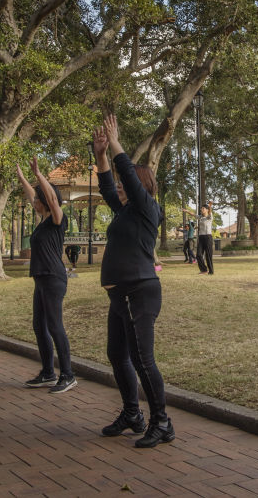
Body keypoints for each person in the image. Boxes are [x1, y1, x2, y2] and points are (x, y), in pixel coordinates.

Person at [93, 114, 174, 448]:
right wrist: (100, 156)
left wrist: (114, 143)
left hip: (139, 291)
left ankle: (162, 422)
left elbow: (124, 172)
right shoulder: (126, 211)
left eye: (130, 184)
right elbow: (109, 185)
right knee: (117, 354)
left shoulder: (147, 209)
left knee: (143, 359)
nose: (123, 187)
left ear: (142, 186)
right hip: (120, 295)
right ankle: (132, 414)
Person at [17, 158, 76, 394]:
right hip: (41, 278)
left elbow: (50, 198)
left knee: (54, 326)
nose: (35, 202)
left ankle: (68, 375)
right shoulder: (43, 222)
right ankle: (48, 373)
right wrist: (23, 178)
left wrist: (39, 174)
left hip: (53, 277)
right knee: (39, 326)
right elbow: (35, 195)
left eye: (38, 200)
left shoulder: (57, 219)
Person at [196, 202, 214, 275]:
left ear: (207, 210)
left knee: (208, 255)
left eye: (203, 208)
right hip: (201, 237)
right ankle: (203, 270)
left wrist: (210, 206)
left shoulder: (209, 217)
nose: (201, 209)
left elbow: (210, 212)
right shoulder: (200, 217)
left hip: (208, 237)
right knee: (198, 254)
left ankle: (211, 271)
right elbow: (194, 215)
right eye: (201, 208)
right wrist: (187, 211)